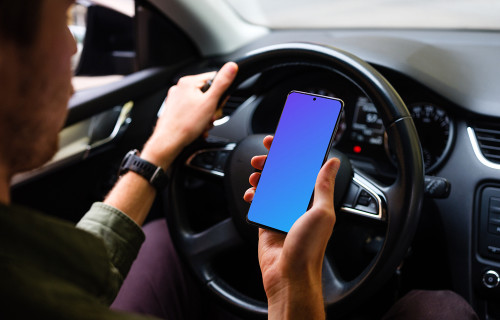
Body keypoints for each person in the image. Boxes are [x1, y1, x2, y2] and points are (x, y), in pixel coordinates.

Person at [0, 1, 479, 319]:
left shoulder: (34, 270)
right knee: (438, 308)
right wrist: (296, 289)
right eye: (62, 19)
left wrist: (160, 149)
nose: (72, 47)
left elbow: (87, 261)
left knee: (161, 241)